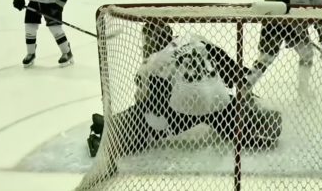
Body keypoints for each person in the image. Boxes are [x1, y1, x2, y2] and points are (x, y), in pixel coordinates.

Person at [87, 20, 283, 161]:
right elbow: (229, 68)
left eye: (147, 40)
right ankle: (258, 121)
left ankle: (111, 132)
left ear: (151, 40)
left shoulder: (155, 61)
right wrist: (241, 97)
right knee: (225, 108)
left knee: (148, 116)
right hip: (219, 102)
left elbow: (152, 103)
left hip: (184, 111)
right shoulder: (194, 38)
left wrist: (145, 116)